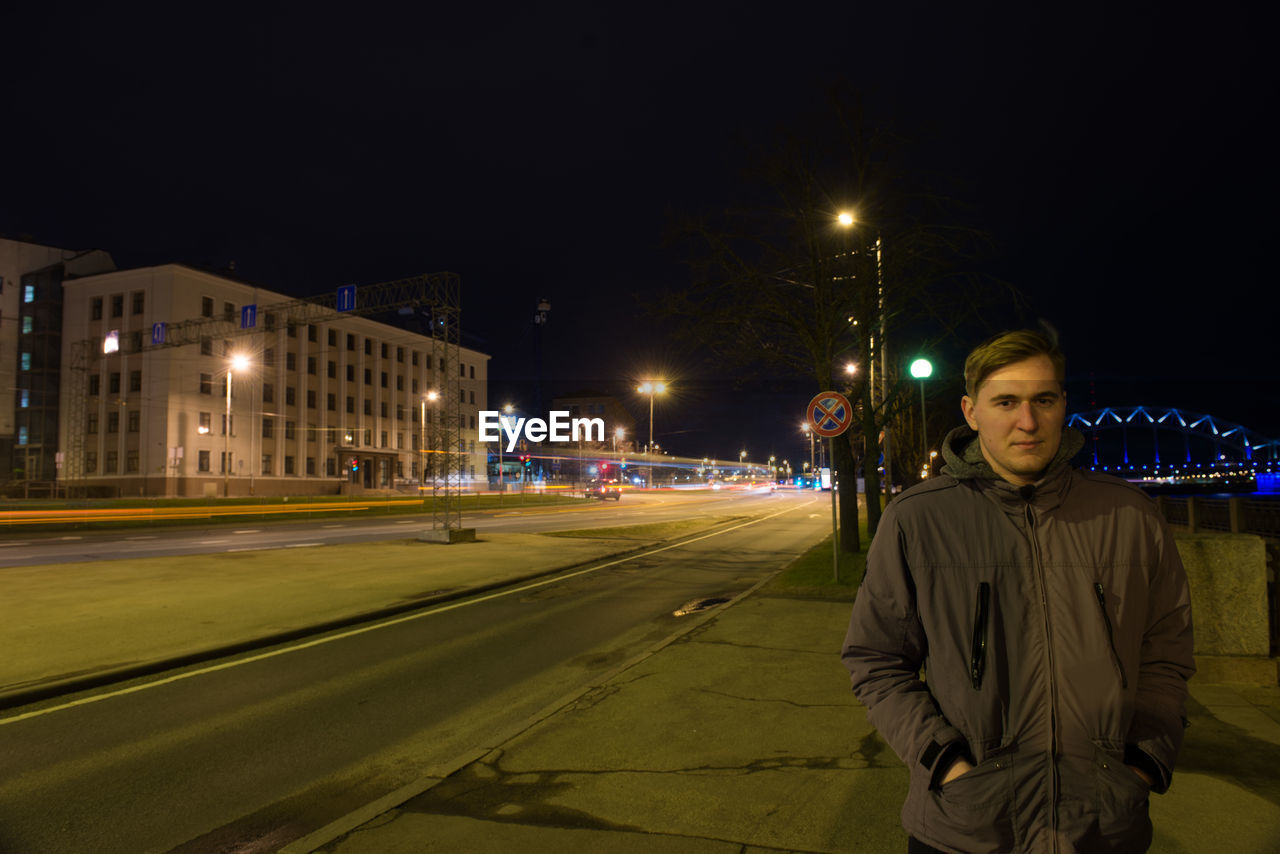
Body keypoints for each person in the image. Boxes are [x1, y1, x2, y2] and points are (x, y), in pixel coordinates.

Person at [840, 329, 1194, 853]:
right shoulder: (917, 519)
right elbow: (875, 660)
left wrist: (1141, 764)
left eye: (1043, 400)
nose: (1027, 422)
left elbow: (1166, 655)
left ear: (1062, 405)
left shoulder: (1130, 515)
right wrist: (946, 763)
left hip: (1103, 826)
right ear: (971, 411)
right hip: (966, 827)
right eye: (1005, 402)